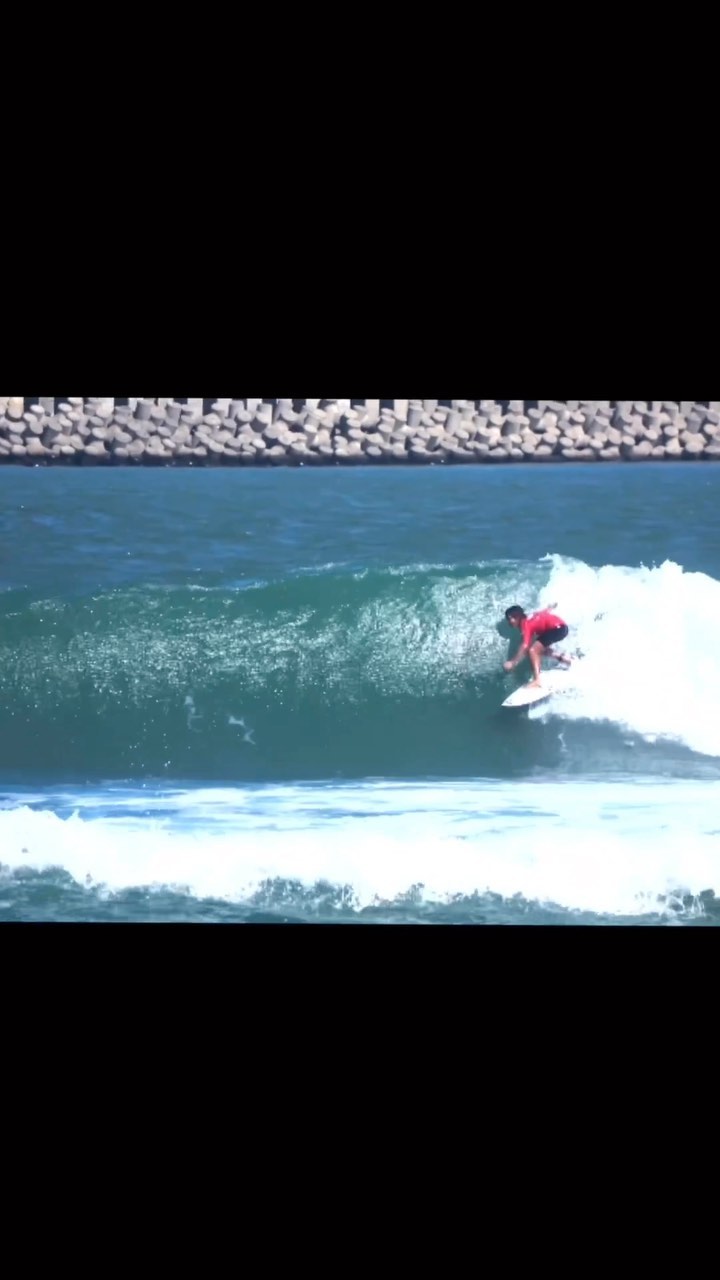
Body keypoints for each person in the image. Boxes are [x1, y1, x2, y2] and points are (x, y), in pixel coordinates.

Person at [503, 603, 571, 689]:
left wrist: (513, 662)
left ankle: (537, 681)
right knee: (539, 650)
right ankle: (566, 659)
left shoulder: (525, 624)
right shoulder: (532, 616)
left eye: (513, 617)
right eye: (508, 619)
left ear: (520, 616)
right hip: (561, 627)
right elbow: (544, 612)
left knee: (533, 650)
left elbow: (525, 645)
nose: (510, 621)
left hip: (557, 629)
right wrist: (551, 607)